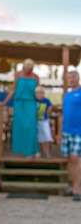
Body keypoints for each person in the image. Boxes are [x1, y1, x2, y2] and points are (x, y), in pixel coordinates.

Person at [0, 58, 40, 157]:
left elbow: (39, 91)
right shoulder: (18, 75)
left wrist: (42, 101)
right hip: (19, 104)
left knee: (31, 126)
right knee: (20, 127)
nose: (29, 70)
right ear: (24, 67)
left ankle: (33, 150)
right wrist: (4, 102)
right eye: (27, 68)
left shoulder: (36, 77)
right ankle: (21, 150)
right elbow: (12, 90)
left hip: (31, 103)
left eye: (30, 68)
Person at [56, 71, 81, 201]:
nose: (71, 80)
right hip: (66, 132)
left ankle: (77, 190)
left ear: (78, 78)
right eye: (68, 78)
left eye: (73, 77)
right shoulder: (66, 95)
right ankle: (74, 188)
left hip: (79, 132)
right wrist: (59, 134)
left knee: (75, 159)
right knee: (71, 161)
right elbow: (63, 115)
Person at [35, 86, 53, 158]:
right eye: (37, 93)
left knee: (47, 136)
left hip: (44, 120)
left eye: (41, 93)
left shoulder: (46, 100)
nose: (39, 95)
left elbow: (50, 106)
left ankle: (47, 151)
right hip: (36, 121)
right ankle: (39, 152)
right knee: (39, 137)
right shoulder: (34, 101)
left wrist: (49, 109)